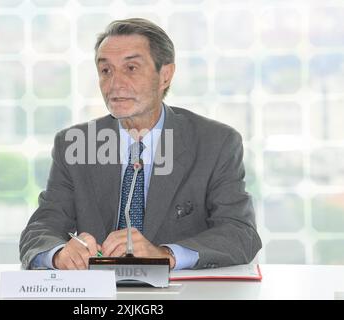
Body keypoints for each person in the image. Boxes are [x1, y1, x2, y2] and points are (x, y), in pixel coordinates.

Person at [20, 18, 262, 270]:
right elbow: (41, 229)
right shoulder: (75, 144)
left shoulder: (215, 142)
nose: (115, 84)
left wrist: (164, 254)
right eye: (106, 71)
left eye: (131, 68)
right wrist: (59, 254)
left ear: (165, 75)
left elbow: (240, 233)